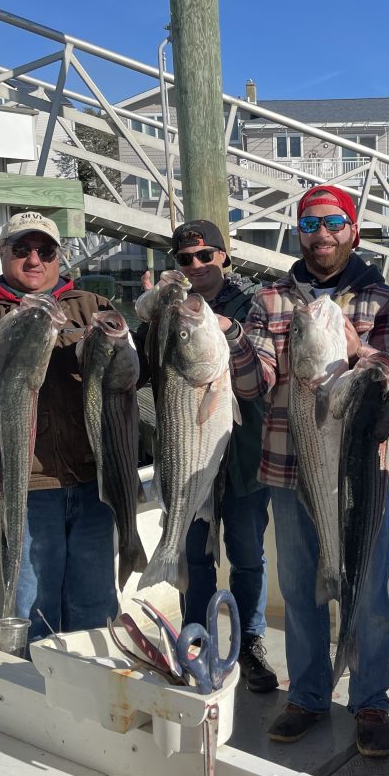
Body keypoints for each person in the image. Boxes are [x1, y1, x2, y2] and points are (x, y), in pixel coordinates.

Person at [225, 184, 389, 757]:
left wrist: (359, 353)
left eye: (333, 222)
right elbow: (252, 386)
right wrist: (229, 341)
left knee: (369, 594)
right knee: (303, 593)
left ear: (352, 229)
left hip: (363, 474)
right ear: (298, 232)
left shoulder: (383, 298)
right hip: (289, 467)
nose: (321, 234)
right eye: (310, 224)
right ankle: (306, 695)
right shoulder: (269, 299)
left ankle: (370, 701)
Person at [0, 211, 118, 640]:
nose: (34, 259)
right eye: (21, 249)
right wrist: (3, 339)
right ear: (2, 255)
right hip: (26, 488)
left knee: (96, 606)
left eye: (45, 250)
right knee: (32, 609)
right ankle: (34, 692)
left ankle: (94, 693)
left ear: (59, 257)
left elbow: (133, 376)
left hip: (94, 483)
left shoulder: (91, 306)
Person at [139, 219, 277, 693]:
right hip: (189, 449)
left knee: (247, 554)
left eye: (205, 255)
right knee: (196, 555)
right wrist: (151, 314)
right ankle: (194, 642)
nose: (196, 266)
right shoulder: (172, 312)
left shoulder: (254, 304)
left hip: (242, 454)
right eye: (185, 259)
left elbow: (263, 371)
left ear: (224, 255)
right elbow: (143, 369)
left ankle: (249, 640)